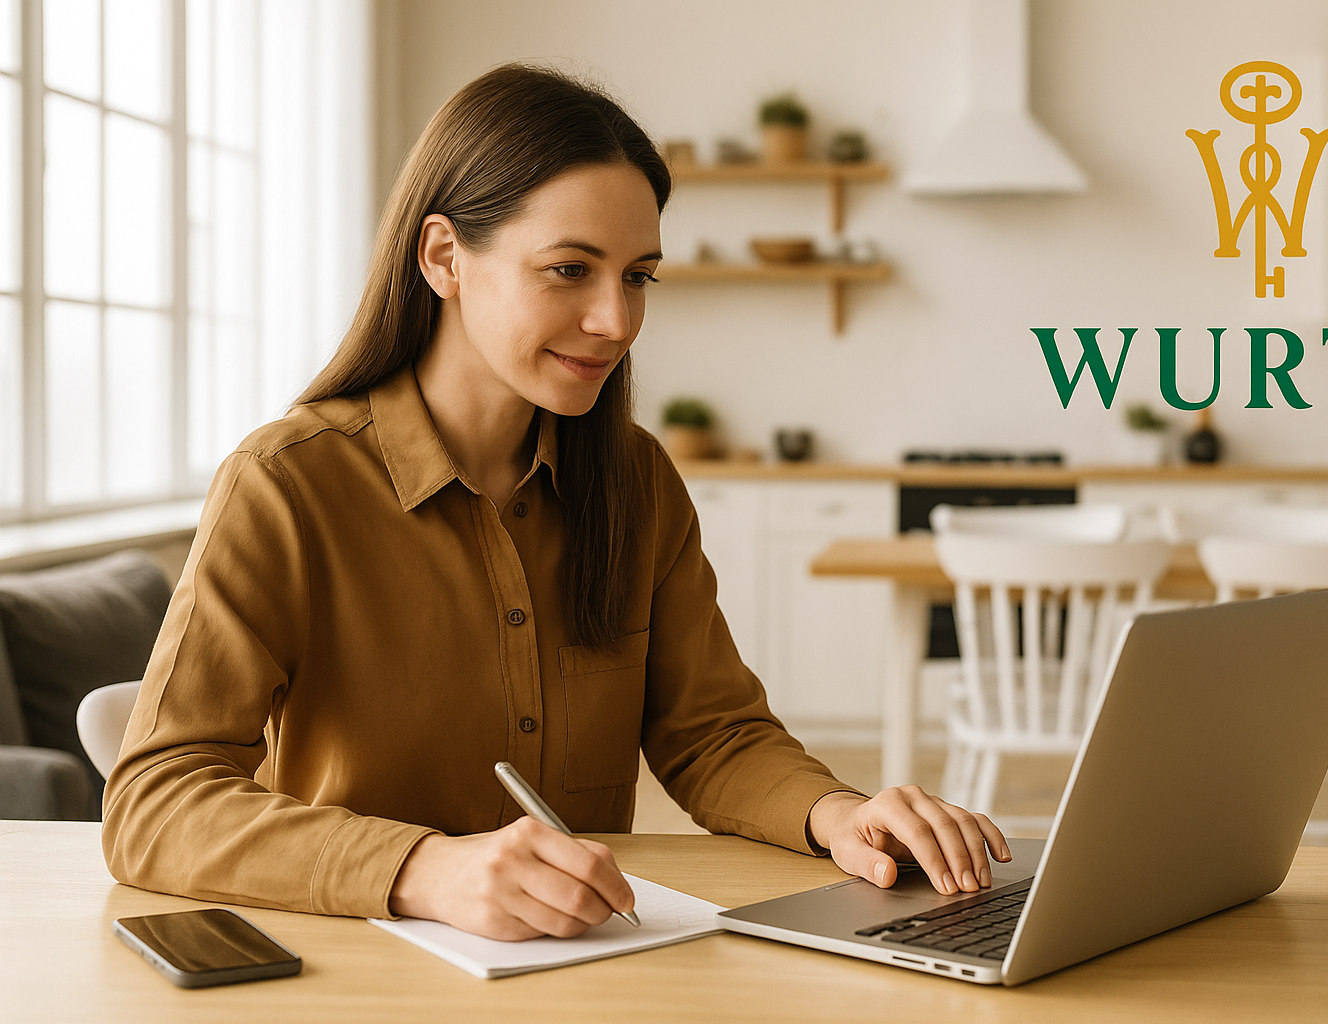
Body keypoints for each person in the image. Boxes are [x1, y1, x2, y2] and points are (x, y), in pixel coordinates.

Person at [102, 64, 1009, 942]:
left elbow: (712, 735)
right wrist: (425, 870)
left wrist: (839, 814)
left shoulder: (635, 480)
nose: (617, 320)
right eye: (570, 269)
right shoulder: (285, 485)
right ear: (445, 257)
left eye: (638, 275)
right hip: (361, 972)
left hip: (580, 961)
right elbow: (154, 802)